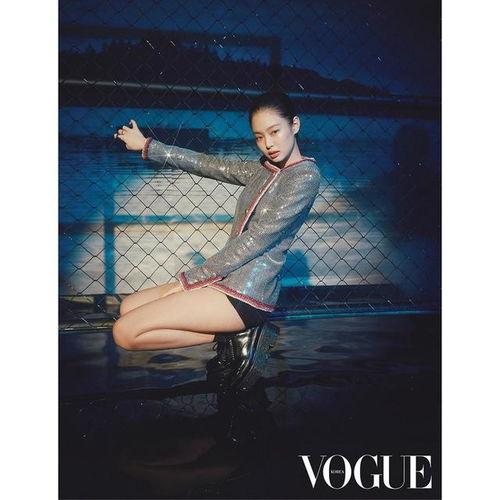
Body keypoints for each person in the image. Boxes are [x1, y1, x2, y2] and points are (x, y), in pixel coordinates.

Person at [112, 91, 321, 391]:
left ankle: (239, 334)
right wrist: (148, 146)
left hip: (247, 296)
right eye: (259, 137)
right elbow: (207, 163)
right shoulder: (262, 170)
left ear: (295, 125)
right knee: (128, 307)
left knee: (125, 332)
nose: (268, 144)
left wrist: (190, 281)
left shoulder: (304, 177)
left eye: (275, 132)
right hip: (224, 279)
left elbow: (255, 240)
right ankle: (232, 336)